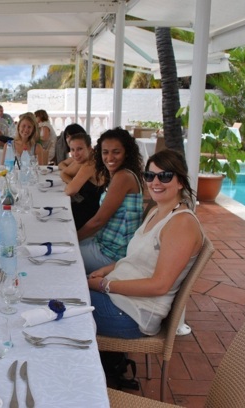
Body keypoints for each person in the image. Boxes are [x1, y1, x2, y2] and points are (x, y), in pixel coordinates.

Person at [87, 150, 204, 338]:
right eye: (150, 175)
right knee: (63, 289)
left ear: (180, 182)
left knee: (61, 305)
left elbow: (159, 286)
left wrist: (105, 285)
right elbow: (139, 259)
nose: (155, 182)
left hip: (132, 313)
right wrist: (107, 269)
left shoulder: (181, 224)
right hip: (118, 297)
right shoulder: (156, 212)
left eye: (165, 176)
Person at [78, 127, 144, 272]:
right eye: (105, 152)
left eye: (116, 152)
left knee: (61, 255)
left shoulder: (123, 177)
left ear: (126, 153)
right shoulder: (118, 175)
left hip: (112, 255)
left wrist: (73, 239)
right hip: (103, 244)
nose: (109, 158)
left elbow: (98, 221)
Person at [63, 132, 104, 230]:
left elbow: (70, 191)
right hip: (88, 208)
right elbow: (64, 173)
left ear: (90, 148)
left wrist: (74, 184)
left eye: (80, 149)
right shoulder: (86, 160)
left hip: (91, 216)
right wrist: (74, 182)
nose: (75, 154)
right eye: (72, 150)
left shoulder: (90, 164)